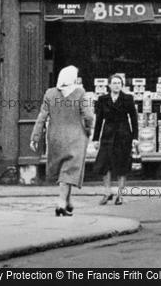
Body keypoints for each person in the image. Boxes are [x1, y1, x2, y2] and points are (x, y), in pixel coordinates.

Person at [30, 65, 94, 216]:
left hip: (55, 137)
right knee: (69, 170)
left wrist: (35, 137)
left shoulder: (50, 93)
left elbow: (42, 117)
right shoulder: (80, 93)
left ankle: (68, 202)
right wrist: (89, 129)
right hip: (76, 136)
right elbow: (89, 116)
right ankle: (60, 203)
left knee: (65, 171)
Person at [93, 74, 139, 205]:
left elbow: (134, 119)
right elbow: (99, 120)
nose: (116, 85)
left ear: (122, 85)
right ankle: (107, 192)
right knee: (105, 164)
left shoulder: (128, 99)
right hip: (107, 134)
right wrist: (96, 138)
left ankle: (120, 194)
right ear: (109, 85)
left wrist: (135, 137)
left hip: (123, 135)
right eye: (114, 83)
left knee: (122, 165)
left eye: (119, 83)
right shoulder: (102, 99)